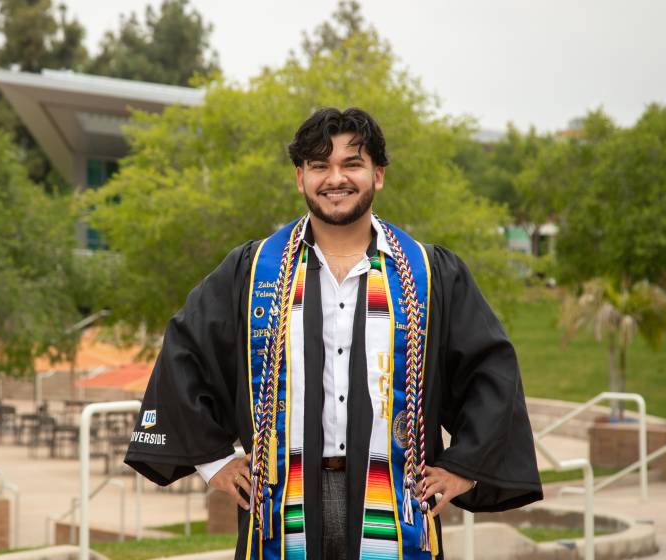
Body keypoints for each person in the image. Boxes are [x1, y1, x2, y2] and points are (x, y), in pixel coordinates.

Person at [125, 107, 542, 560]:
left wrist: (464, 467)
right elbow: (186, 350)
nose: (335, 178)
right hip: (283, 504)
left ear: (378, 175)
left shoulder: (427, 272)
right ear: (299, 177)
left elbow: (490, 367)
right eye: (319, 165)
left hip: (394, 504)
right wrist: (214, 461)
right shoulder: (254, 270)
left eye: (352, 164)